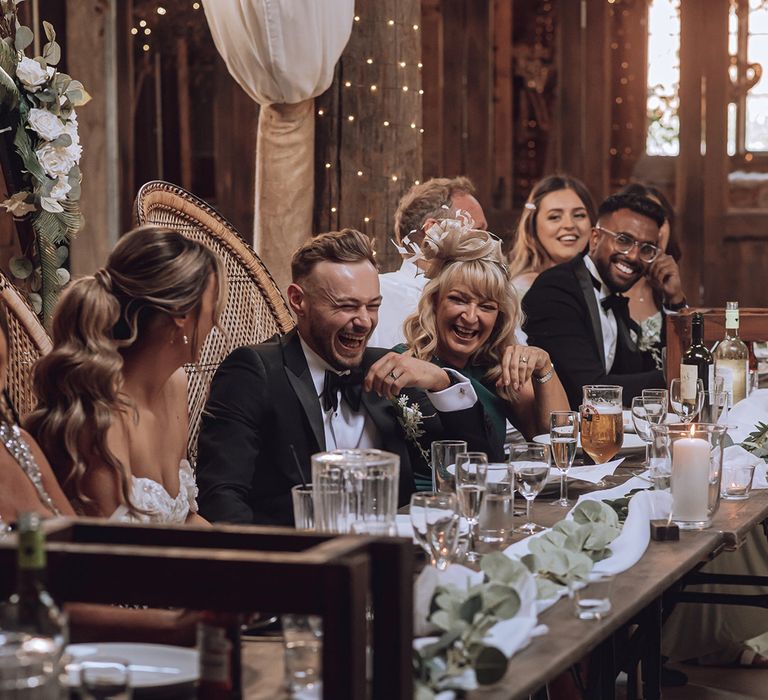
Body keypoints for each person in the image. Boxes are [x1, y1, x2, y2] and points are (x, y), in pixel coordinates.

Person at [196, 228, 502, 526]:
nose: (364, 322)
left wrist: (441, 382)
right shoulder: (254, 370)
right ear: (298, 300)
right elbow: (221, 497)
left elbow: (478, 462)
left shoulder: (385, 366)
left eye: (373, 306)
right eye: (346, 306)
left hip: (394, 551)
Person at [27, 226, 225, 524]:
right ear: (181, 315)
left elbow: (185, 520)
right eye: (214, 307)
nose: (217, 321)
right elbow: (112, 553)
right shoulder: (98, 415)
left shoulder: (175, 385)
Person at [396, 216, 569, 454]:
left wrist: (544, 366)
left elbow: (558, 445)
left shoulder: (495, 372)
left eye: (486, 306)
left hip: (489, 489)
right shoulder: (402, 363)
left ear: (499, 315)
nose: (470, 317)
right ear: (435, 302)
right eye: (458, 300)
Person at [523, 193, 684, 409]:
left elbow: (640, 371)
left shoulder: (612, 295)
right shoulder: (557, 288)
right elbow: (589, 390)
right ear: (595, 238)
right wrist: (679, 377)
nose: (634, 256)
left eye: (646, 249)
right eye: (624, 240)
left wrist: (674, 300)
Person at [368, 176, 487, 349]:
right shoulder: (376, 296)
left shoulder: (486, 301)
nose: (488, 242)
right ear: (434, 231)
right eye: (478, 230)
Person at [617, 182, 684, 371]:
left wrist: (676, 298)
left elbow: (688, 360)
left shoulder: (668, 286)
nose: (655, 230)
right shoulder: (608, 286)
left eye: (660, 220)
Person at [508, 174, 596, 297]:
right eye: (554, 217)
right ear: (532, 227)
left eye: (579, 215)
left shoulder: (605, 285)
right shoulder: (522, 290)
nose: (569, 225)